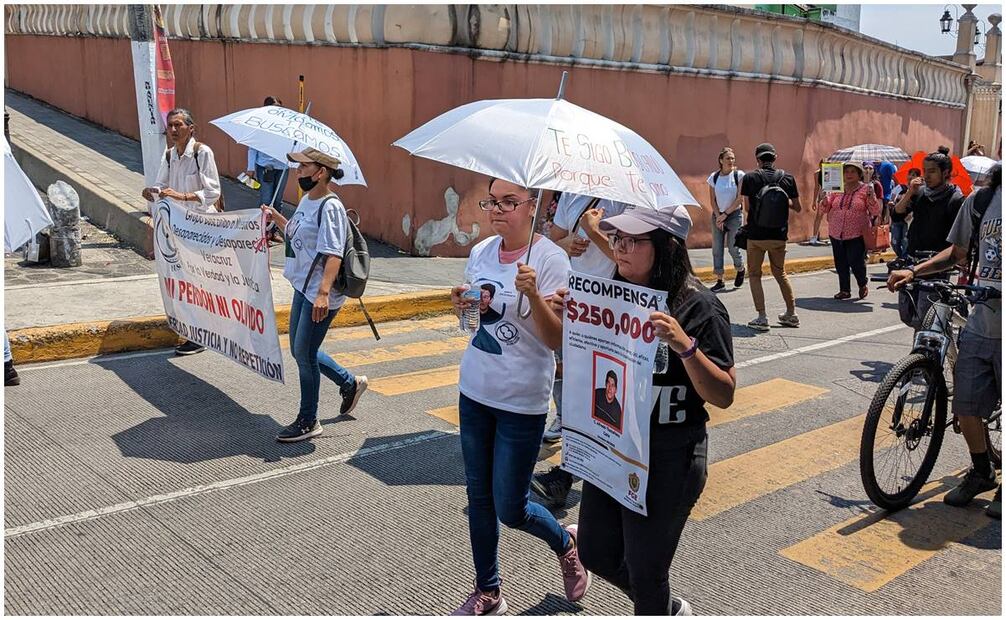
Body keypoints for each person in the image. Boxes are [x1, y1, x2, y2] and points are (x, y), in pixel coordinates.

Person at [546, 205, 735, 615]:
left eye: (633, 241)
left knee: (648, 571)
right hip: (613, 449)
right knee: (595, 552)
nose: (620, 249)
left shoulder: (699, 306)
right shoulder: (610, 293)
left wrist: (684, 345)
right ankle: (664, 607)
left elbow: (723, 394)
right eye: (616, 240)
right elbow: (579, 362)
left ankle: (655, 603)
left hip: (671, 455)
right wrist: (568, 318)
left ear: (666, 247)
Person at [448, 178, 588, 615]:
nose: (499, 209)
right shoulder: (481, 252)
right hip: (475, 389)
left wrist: (533, 295)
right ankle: (488, 591)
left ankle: (565, 542)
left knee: (511, 506)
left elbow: (554, 340)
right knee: (479, 497)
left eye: (510, 201)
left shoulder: (551, 260)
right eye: (493, 201)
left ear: (534, 206)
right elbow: (473, 325)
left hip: (522, 400)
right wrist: (463, 306)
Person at [887, 163, 1001, 519]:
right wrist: (913, 270)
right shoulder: (982, 200)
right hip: (982, 324)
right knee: (966, 408)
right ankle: (982, 471)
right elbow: (956, 253)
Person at [261, 148, 368, 443]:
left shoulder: (330, 206)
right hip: (302, 286)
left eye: (303, 167)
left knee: (304, 354)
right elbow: (297, 233)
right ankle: (349, 383)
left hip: (319, 293)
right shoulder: (308, 200)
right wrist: (276, 217)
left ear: (320, 172)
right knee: (300, 350)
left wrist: (322, 294)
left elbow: (333, 254)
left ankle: (309, 420)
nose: (298, 172)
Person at [533, 192, 629, 507]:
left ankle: (582, 471)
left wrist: (593, 231)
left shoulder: (626, 201)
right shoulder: (572, 196)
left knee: (605, 393)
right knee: (579, 389)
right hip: (576, 302)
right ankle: (570, 468)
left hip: (612, 309)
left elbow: (626, 260)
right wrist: (568, 242)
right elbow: (555, 239)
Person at [141, 108, 222, 356]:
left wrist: (183, 196)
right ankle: (196, 330)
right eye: (170, 126)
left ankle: (201, 334)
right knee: (185, 281)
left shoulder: (201, 153)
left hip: (202, 228)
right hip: (179, 228)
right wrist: (151, 191)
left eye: (178, 125)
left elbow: (213, 192)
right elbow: (162, 184)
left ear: (191, 129)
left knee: (199, 280)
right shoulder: (169, 156)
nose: (173, 130)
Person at [892, 146, 965, 328]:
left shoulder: (956, 198)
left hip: (937, 263)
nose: (927, 175)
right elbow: (897, 214)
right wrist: (910, 192)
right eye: (925, 171)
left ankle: (927, 351)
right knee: (907, 314)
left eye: (932, 171)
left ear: (945, 172)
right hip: (912, 258)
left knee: (926, 316)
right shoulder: (921, 193)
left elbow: (958, 236)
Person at [740, 143, 802, 331]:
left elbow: (748, 208)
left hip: (756, 235)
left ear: (757, 159)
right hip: (779, 235)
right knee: (780, 273)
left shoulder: (750, 178)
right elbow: (798, 207)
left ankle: (761, 316)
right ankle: (791, 314)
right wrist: (783, 201)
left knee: (755, 275)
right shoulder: (788, 178)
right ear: (775, 158)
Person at [819, 162, 882, 300]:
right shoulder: (836, 189)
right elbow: (824, 209)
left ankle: (862, 283)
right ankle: (844, 290)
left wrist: (871, 198)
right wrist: (824, 199)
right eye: (846, 172)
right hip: (836, 231)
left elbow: (875, 211)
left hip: (857, 232)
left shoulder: (866, 189)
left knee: (856, 261)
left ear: (859, 174)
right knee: (840, 262)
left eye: (853, 171)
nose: (849, 174)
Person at [246, 96, 291, 240]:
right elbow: (252, 148)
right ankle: (263, 230)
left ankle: (274, 231)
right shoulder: (260, 126)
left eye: (279, 108)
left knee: (278, 201)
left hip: (282, 168)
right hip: (265, 167)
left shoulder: (285, 127)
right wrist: (250, 168)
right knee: (266, 200)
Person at [705, 147, 746, 291]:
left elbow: (739, 199)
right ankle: (720, 279)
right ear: (721, 160)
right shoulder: (713, 178)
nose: (731, 161)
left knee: (733, 247)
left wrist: (725, 215)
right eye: (728, 158)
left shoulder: (739, 175)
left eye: (733, 158)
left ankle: (740, 268)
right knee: (717, 248)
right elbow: (712, 200)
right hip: (718, 215)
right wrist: (718, 216)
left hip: (733, 215)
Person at [888, 168, 921, 259]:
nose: (911, 177)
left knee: (905, 241)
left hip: (908, 220)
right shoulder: (899, 187)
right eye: (910, 174)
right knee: (894, 242)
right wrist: (891, 203)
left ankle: (904, 259)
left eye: (914, 175)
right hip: (896, 219)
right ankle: (901, 257)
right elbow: (892, 199)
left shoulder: (919, 190)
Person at [808, 159, 829, 247]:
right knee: (819, 216)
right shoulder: (817, 173)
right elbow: (816, 187)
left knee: (832, 216)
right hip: (822, 194)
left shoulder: (831, 172)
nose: (823, 167)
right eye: (822, 165)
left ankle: (832, 236)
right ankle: (814, 236)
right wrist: (814, 201)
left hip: (832, 193)